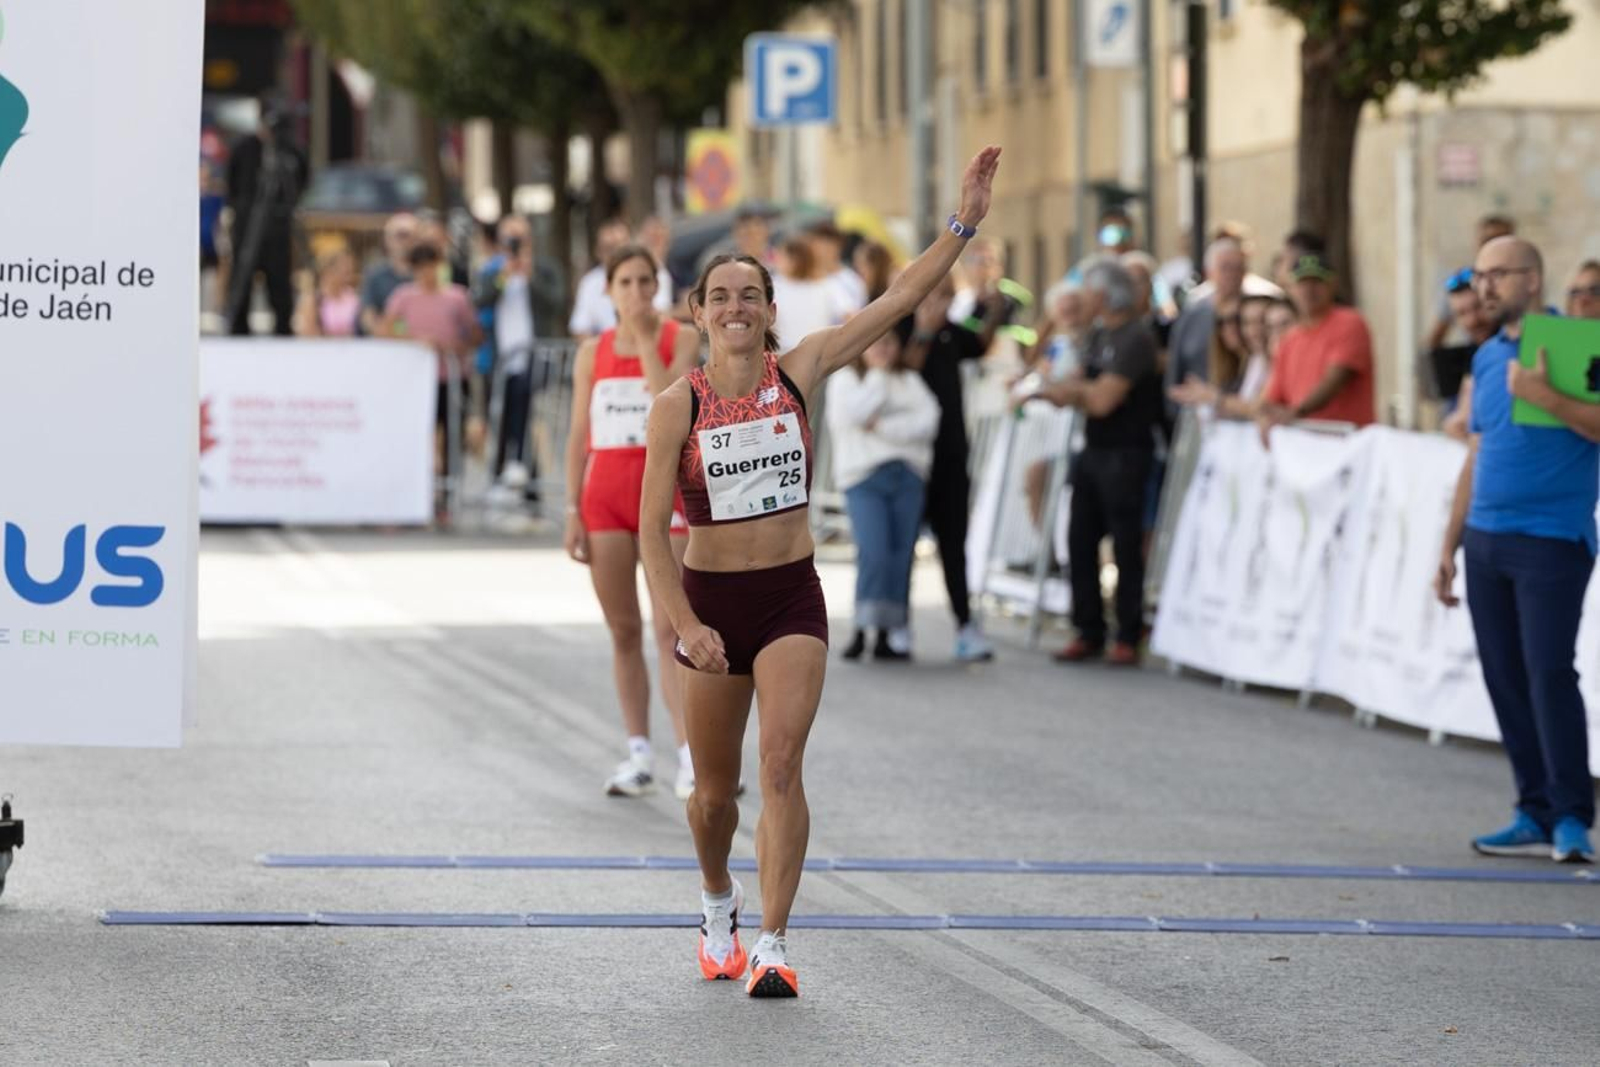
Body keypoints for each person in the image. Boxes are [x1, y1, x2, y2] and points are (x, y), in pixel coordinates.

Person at [638, 146, 1001, 997]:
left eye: (749, 296)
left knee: (782, 767)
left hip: (791, 595)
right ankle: (717, 899)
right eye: (719, 296)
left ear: (769, 311)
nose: (735, 308)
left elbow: (899, 298)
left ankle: (772, 940)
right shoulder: (676, 407)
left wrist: (964, 221)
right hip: (713, 604)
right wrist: (686, 626)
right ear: (698, 312)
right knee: (715, 798)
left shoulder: (799, 370)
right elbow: (655, 533)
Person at [1435, 235, 1598, 865]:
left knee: (1549, 673)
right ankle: (1532, 807)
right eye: (1480, 275)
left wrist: (1546, 395)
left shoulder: (1578, 342)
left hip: (1553, 539)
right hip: (1486, 539)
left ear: (1533, 280)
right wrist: (1449, 543)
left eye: (1500, 274)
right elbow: (1477, 454)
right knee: (1505, 677)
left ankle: (1572, 817)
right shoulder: (1483, 358)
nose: (1486, 286)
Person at [564, 245, 704, 799]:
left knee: (672, 630)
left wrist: (647, 338)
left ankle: (691, 756)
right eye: (626, 282)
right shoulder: (590, 352)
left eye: (647, 281)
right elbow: (579, 432)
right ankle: (638, 751)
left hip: (662, 496)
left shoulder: (682, 339)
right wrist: (572, 507)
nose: (638, 292)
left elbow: (664, 402)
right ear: (608, 290)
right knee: (623, 630)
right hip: (606, 497)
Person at [1032, 259, 1163, 665]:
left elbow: (1104, 399)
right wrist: (1073, 390)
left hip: (1127, 452)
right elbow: (1074, 385)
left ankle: (1126, 633)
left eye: (1087, 290)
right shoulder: (1100, 334)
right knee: (1079, 540)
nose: (1082, 298)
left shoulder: (1135, 338)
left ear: (1103, 295)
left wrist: (1075, 391)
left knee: (1125, 547)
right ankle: (1087, 628)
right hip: (1092, 449)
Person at [903, 275, 1004, 659]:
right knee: (903, 545)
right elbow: (905, 369)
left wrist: (994, 308)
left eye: (945, 295)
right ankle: (896, 625)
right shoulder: (904, 328)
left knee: (953, 543)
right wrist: (924, 332)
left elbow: (979, 345)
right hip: (910, 456)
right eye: (931, 295)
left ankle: (965, 625)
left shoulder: (953, 332)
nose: (937, 304)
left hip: (951, 453)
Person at [827, 319, 941, 661]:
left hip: (906, 474)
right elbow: (852, 417)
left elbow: (928, 421)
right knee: (873, 551)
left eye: (889, 343)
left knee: (900, 554)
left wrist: (883, 427)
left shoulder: (909, 381)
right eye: (876, 342)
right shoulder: (848, 380)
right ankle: (864, 626)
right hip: (864, 477)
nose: (883, 349)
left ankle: (891, 631)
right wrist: (876, 377)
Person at [380, 241, 482, 504]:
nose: (427, 273)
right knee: (416, 436)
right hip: (415, 381)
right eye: (421, 268)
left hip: (452, 377)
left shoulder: (457, 297)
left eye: (431, 267)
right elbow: (387, 329)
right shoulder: (404, 296)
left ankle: (446, 498)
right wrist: (415, 340)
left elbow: (474, 335)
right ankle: (415, 494)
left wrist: (453, 345)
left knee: (451, 437)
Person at [1256, 254, 1375, 445]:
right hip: (1304, 445)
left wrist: (1295, 413)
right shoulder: (1290, 339)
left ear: (1332, 284)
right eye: (1302, 283)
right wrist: (1265, 415)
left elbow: (1334, 380)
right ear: (1291, 288)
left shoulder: (1350, 323)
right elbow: (1272, 395)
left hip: (1346, 445)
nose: (1308, 290)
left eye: (1317, 282)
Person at [225, 97, 309, 336]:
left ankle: (283, 328)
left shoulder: (291, 151)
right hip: (248, 225)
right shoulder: (244, 148)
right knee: (242, 275)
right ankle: (237, 326)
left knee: (280, 282)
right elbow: (232, 184)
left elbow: (301, 182)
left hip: (278, 227)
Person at [1423, 215, 1516, 352]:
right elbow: (1435, 338)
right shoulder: (1464, 282)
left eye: (1501, 240)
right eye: (1487, 240)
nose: (1493, 247)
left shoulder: (1521, 284)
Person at [1434, 270, 1496, 440]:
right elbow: (1461, 418)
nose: (1472, 320)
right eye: (1461, 314)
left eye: (1478, 307)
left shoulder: (1509, 345)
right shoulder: (1475, 349)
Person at [771, 236, 848, 353]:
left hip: (818, 356)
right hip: (784, 356)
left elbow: (848, 315)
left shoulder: (827, 285)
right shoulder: (774, 285)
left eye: (782, 256)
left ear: (795, 259)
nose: (777, 261)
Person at [568, 219, 632, 340]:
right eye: (609, 248)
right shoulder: (590, 282)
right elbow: (580, 328)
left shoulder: (649, 273)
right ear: (598, 251)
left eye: (620, 247)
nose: (615, 254)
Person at [360, 213, 418, 337]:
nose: (403, 241)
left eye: (407, 235)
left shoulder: (426, 273)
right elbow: (367, 314)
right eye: (399, 235)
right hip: (387, 345)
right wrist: (383, 334)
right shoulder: (375, 274)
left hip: (420, 344)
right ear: (387, 239)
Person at [807, 219, 868, 316]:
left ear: (838, 246)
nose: (822, 252)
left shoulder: (851, 281)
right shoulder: (805, 278)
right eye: (817, 246)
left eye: (827, 246)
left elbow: (854, 316)